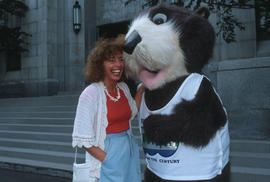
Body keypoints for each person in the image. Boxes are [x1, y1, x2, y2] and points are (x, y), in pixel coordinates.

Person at [72, 34, 144, 182]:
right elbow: (83, 138)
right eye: (111, 60)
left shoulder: (123, 88)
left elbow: (132, 112)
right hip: (108, 154)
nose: (118, 65)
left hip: (129, 150)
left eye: (120, 59)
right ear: (100, 65)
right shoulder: (90, 94)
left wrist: (143, 87)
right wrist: (108, 160)